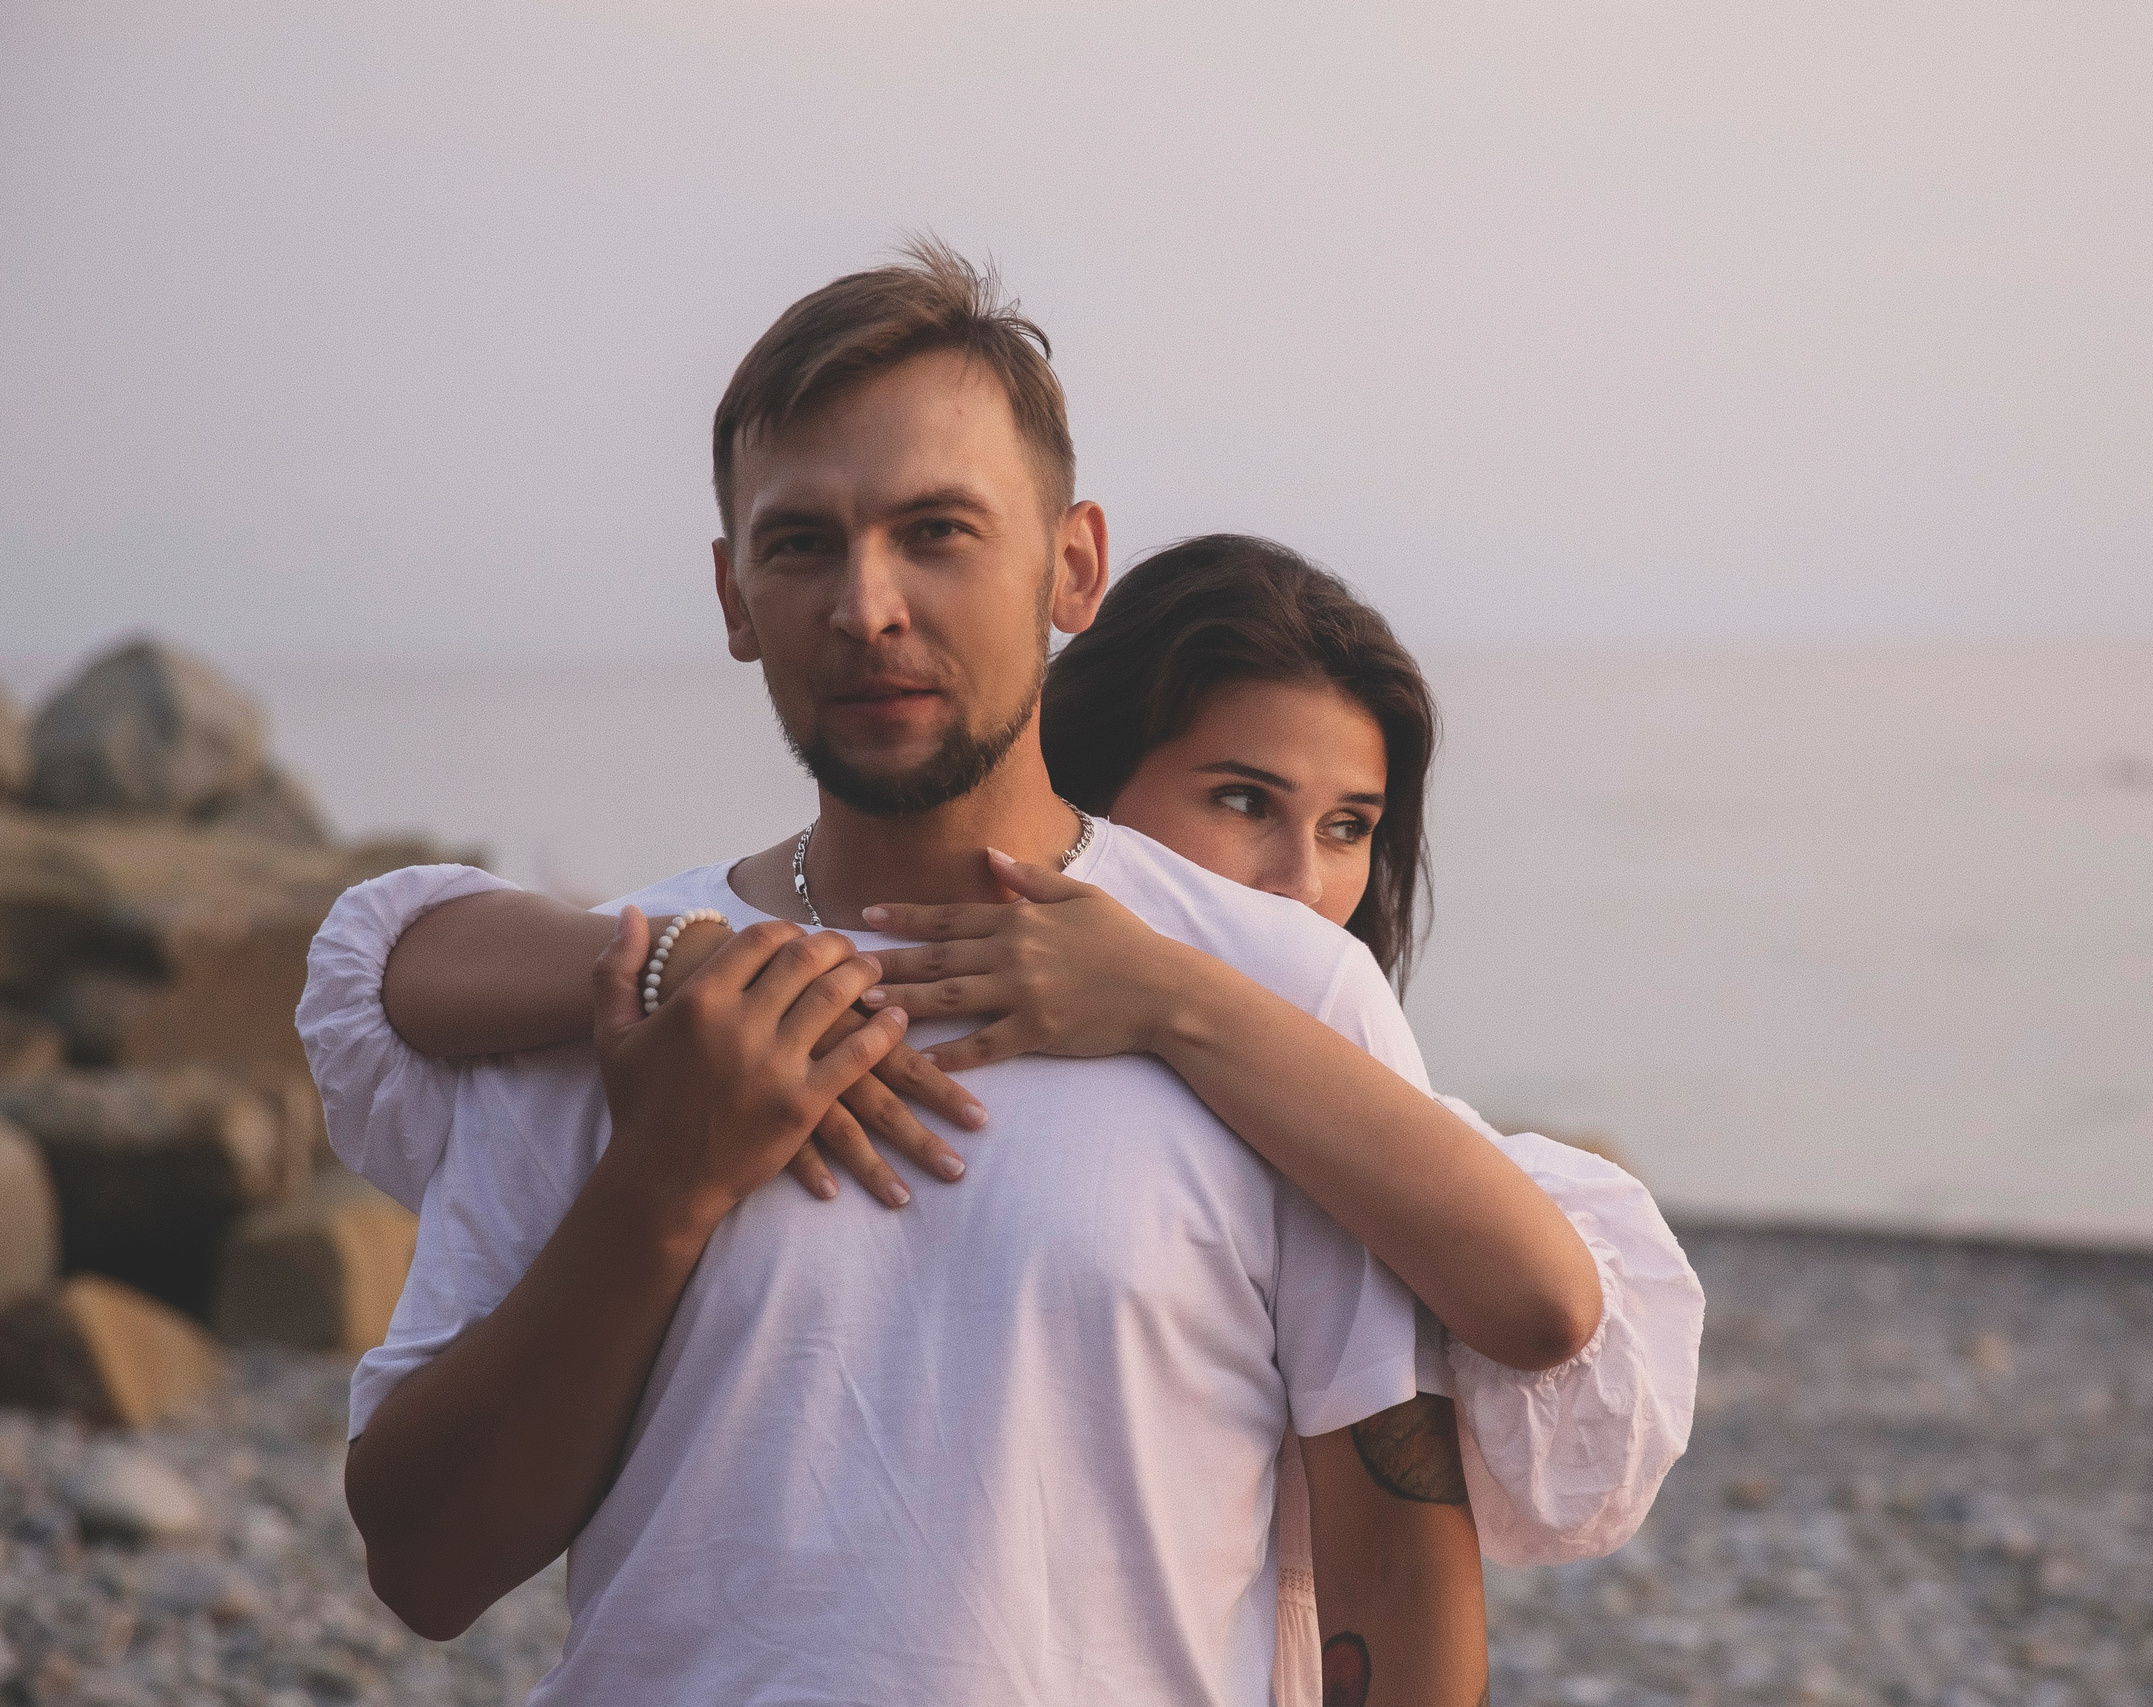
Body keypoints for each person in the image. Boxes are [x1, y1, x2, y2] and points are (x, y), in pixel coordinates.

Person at [315, 244, 1501, 1705]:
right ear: (733, 596)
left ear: (1072, 566)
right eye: (802, 543)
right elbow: (423, 1566)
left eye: (937, 532)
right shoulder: (623, 997)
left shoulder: (1274, 1005)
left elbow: (1392, 1556)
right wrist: (666, 1181)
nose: (865, 605)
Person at [312, 536, 1707, 1703]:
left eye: (1351, 826)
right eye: (1243, 802)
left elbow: (1538, 1314)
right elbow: (403, 959)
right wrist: (697, 969)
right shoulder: (736, 1005)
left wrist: (1172, 994)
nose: (1301, 880)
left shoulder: (1313, 1063)